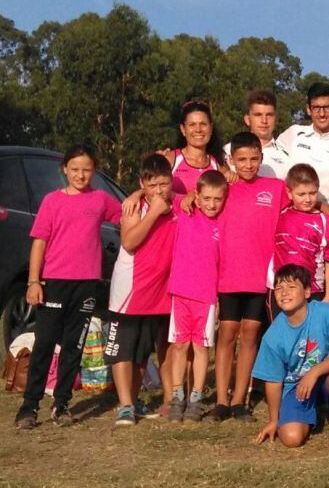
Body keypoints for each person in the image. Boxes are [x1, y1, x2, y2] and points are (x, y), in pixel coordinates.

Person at [14, 145, 122, 429]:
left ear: (94, 171)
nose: (80, 175)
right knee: (45, 343)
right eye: (75, 169)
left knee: (74, 346)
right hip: (54, 283)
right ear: (64, 169)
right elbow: (39, 242)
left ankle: (61, 404)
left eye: (86, 169)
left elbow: (128, 214)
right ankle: (29, 407)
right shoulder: (52, 201)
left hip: (86, 284)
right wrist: (34, 281)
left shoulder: (101, 200)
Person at [211, 132, 290, 422]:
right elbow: (199, 197)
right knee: (227, 335)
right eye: (241, 159)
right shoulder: (223, 187)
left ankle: (238, 400)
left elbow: (307, 200)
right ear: (231, 160)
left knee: (250, 336)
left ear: (262, 157)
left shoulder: (276, 187)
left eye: (254, 158)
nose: (248, 165)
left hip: (260, 279)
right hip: (228, 276)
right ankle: (220, 399)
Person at [105, 154, 178, 426]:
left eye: (164, 184)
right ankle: (125, 405)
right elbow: (129, 241)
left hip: (162, 290)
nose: (159, 190)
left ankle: (169, 399)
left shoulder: (178, 203)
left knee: (152, 349)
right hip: (130, 289)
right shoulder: (134, 208)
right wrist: (154, 210)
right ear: (142, 184)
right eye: (152, 185)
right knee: (124, 349)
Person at [253, 264, 329, 450]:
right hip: (297, 385)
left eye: (292, 287)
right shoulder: (272, 336)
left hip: (327, 377)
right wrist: (273, 420)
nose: (284, 292)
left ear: (308, 292)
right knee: (291, 439)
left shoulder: (328, 313)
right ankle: (310, 413)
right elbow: (273, 381)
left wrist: (314, 373)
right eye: (279, 288)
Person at [166, 170, 227, 422]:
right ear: (198, 197)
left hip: (206, 296)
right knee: (180, 345)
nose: (212, 204)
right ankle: (177, 395)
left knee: (201, 348)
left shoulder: (223, 224)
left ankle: (196, 396)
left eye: (217, 199)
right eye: (207, 198)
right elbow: (163, 192)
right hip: (180, 291)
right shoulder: (185, 212)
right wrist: (187, 196)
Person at [269, 163, 329, 303]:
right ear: (289, 193)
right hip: (281, 289)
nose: (307, 199)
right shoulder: (281, 212)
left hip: (313, 290)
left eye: (312, 193)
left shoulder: (325, 220)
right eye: (301, 194)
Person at [163, 99, 227, 195]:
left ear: (211, 128)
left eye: (203, 124)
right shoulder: (170, 160)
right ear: (183, 129)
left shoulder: (219, 165)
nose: (198, 129)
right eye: (192, 125)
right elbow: (151, 188)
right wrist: (137, 195)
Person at [222, 89, 290, 179]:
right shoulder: (226, 151)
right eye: (258, 115)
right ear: (247, 119)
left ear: (276, 119)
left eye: (269, 115)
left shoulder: (287, 155)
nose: (264, 121)